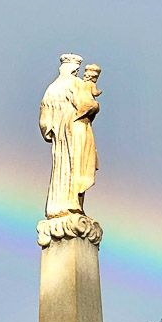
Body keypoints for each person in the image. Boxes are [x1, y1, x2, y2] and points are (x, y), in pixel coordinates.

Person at [39, 55, 101, 217]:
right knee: (78, 166)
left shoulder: (51, 89)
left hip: (60, 134)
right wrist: (95, 105)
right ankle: (73, 204)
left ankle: (58, 205)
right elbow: (85, 105)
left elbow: (45, 124)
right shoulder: (75, 83)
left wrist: (56, 129)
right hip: (77, 128)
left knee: (62, 167)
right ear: (74, 69)